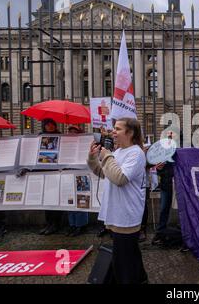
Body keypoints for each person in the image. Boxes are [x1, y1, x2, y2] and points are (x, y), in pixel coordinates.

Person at [87, 118, 148, 284]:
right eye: (114, 128)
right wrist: (93, 159)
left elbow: (120, 178)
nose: (113, 132)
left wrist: (107, 156)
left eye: (118, 129)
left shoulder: (136, 153)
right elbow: (104, 173)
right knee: (130, 253)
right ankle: (141, 278)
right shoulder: (118, 152)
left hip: (126, 216)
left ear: (130, 133)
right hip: (116, 213)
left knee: (123, 261)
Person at [38, 119, 63, 235]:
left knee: (55, 199)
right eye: (47, 124)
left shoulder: (60, 136)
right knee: (46, 200)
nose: (50, 126)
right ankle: (49, 223)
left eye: (52, 124)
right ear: (44, 126)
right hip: (44, 172)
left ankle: (56, 224)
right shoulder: (40, 137)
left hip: (56, 172)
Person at [66, 125, 89, 237]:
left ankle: (81, 225)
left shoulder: (84, 143)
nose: (72, 134)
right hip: (68, 174)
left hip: (81, 174)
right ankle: (72, 224)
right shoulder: (66, 144)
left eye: (74, 132)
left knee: (81, 199)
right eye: (70, 132)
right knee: (69, 200)